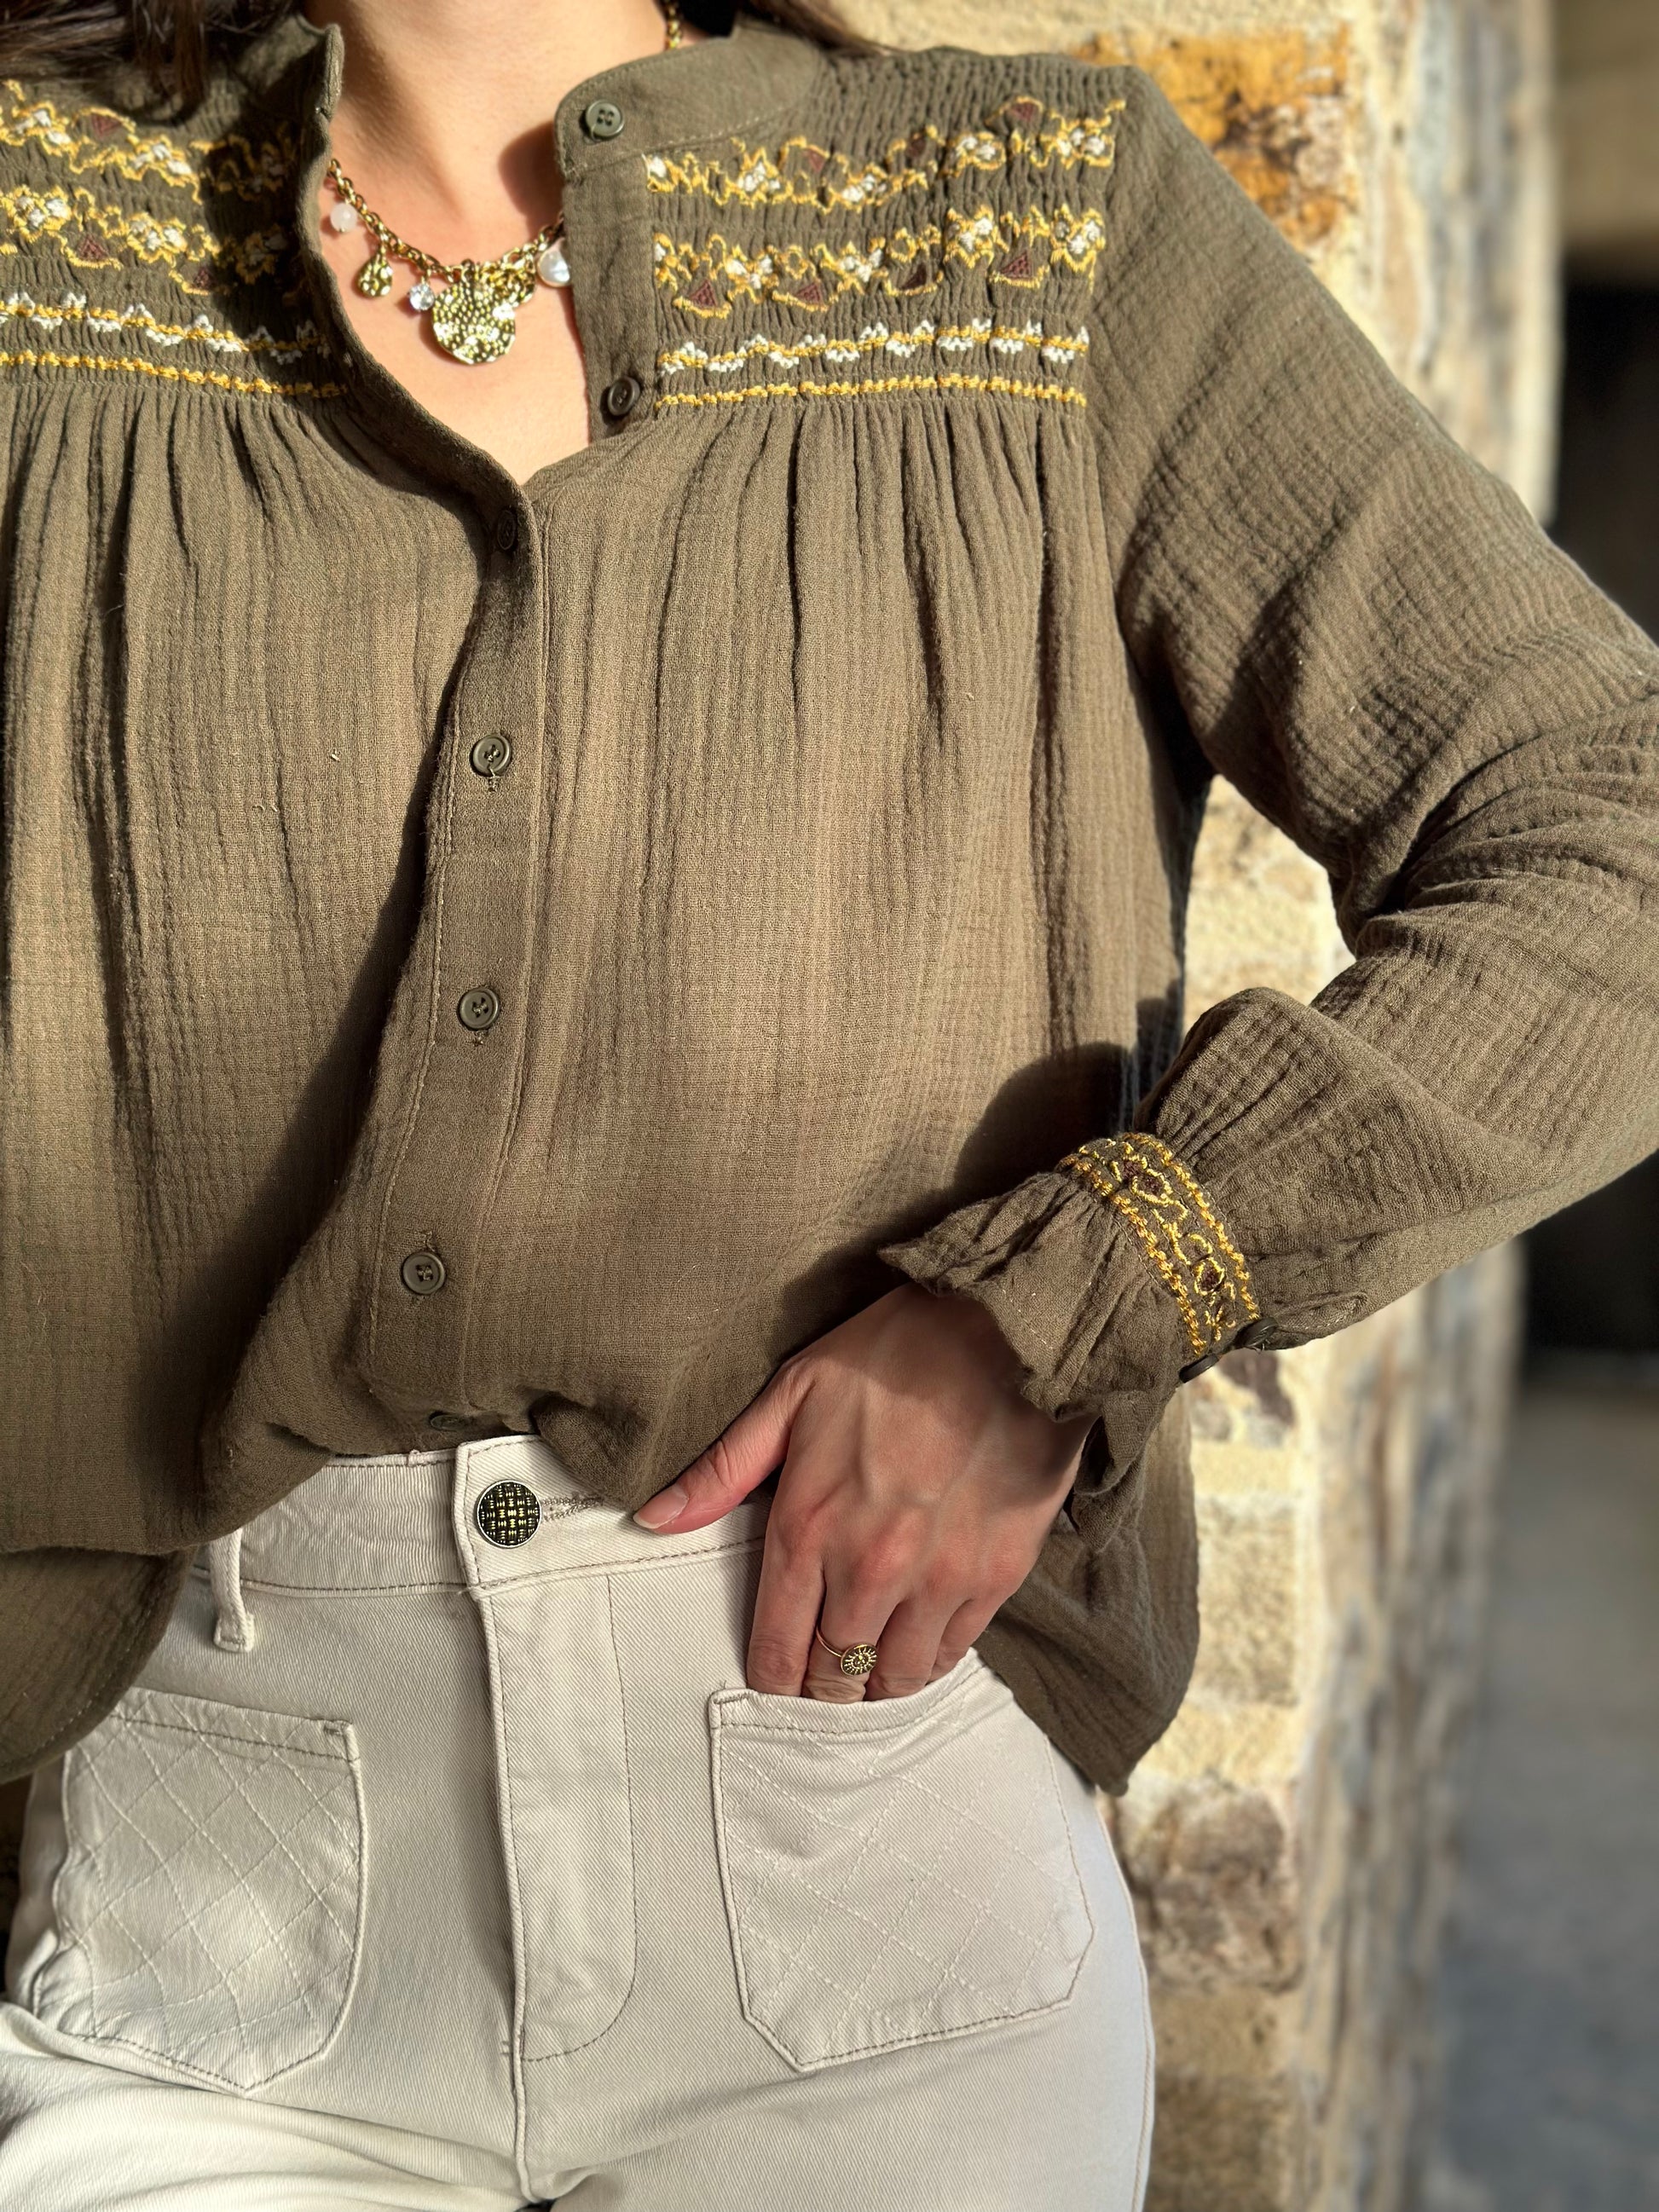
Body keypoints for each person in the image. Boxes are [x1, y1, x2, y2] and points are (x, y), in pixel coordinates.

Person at [0, 0, 1655, 2203]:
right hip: (194, 1898)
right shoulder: (44, 231)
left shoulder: (1024, 231)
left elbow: (1612, 833)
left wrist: (1059, 1307)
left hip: (860, 1854)